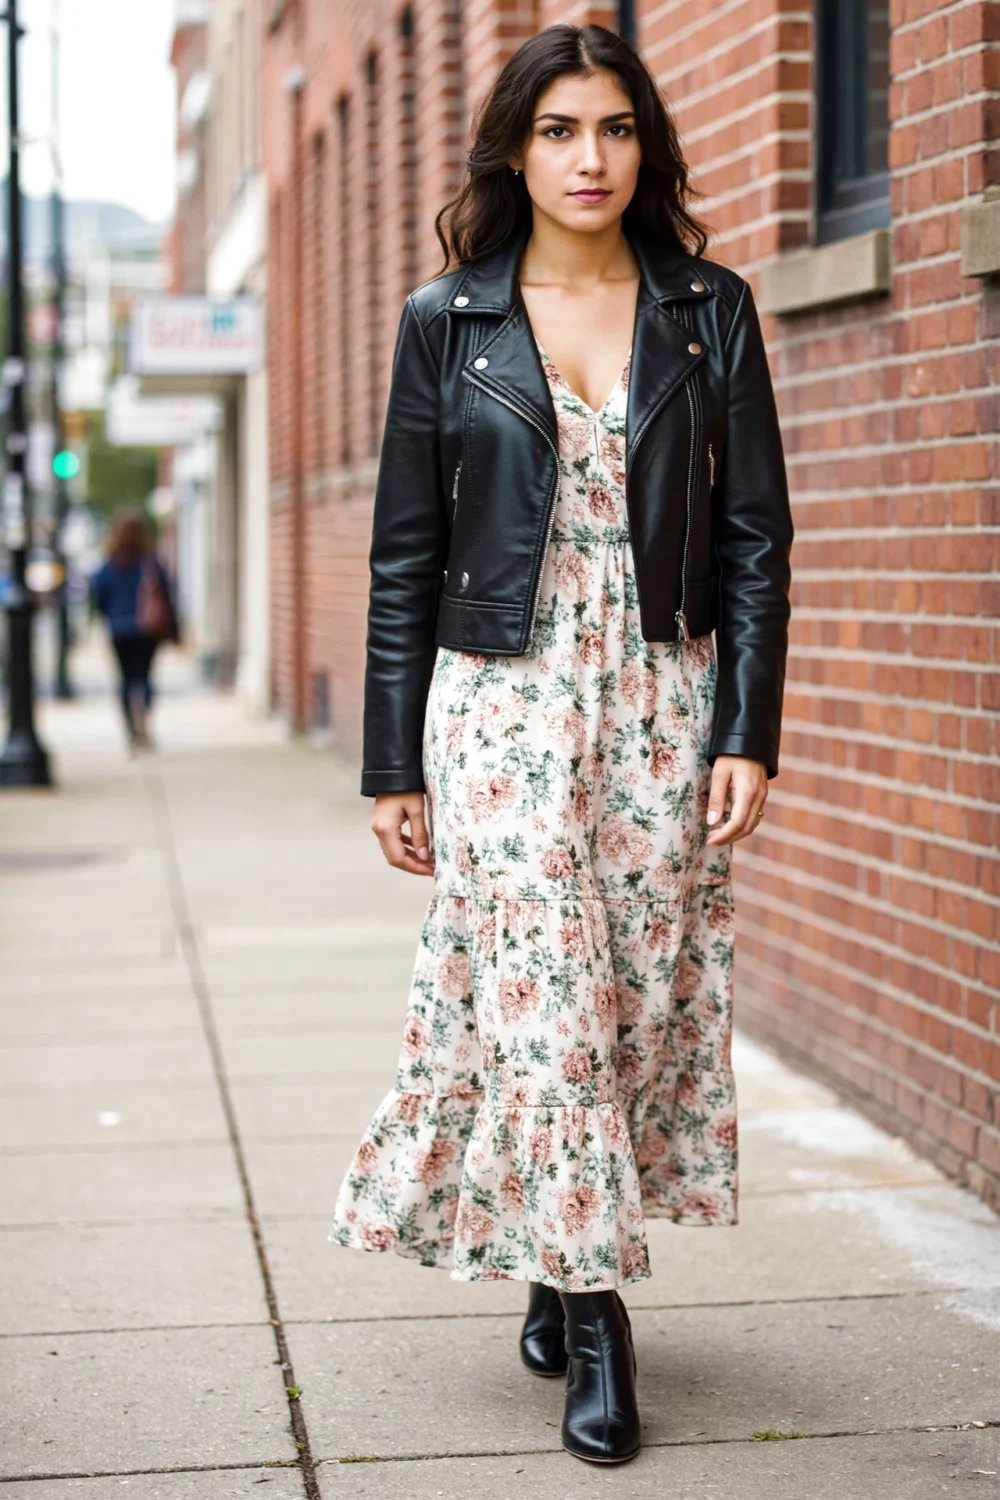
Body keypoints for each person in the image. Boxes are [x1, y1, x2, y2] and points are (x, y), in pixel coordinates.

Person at [330, 22, 793, 1467]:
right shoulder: (446, 322)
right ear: (514, 151)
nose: (588, 159)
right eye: (557, 131)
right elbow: (405, 556)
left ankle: (552, 1242)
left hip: (662, 690)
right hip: (506, 702)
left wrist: (747, 730)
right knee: (543, 997)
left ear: (644, 147)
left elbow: (757, 538)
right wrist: (391, 761)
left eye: (614, 129)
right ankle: (601, 1323)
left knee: (638, 996)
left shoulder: (710, 309)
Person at [91, 508, 176, 752]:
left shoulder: (109, 564)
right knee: (145, 676)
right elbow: (167, 598)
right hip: (147, 630)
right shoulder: (150, 563)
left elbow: (99, 595)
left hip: (119, 629)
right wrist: (173, 630)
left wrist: (111, 616)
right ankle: (143, 716)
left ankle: (131, 725)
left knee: (125, 679)